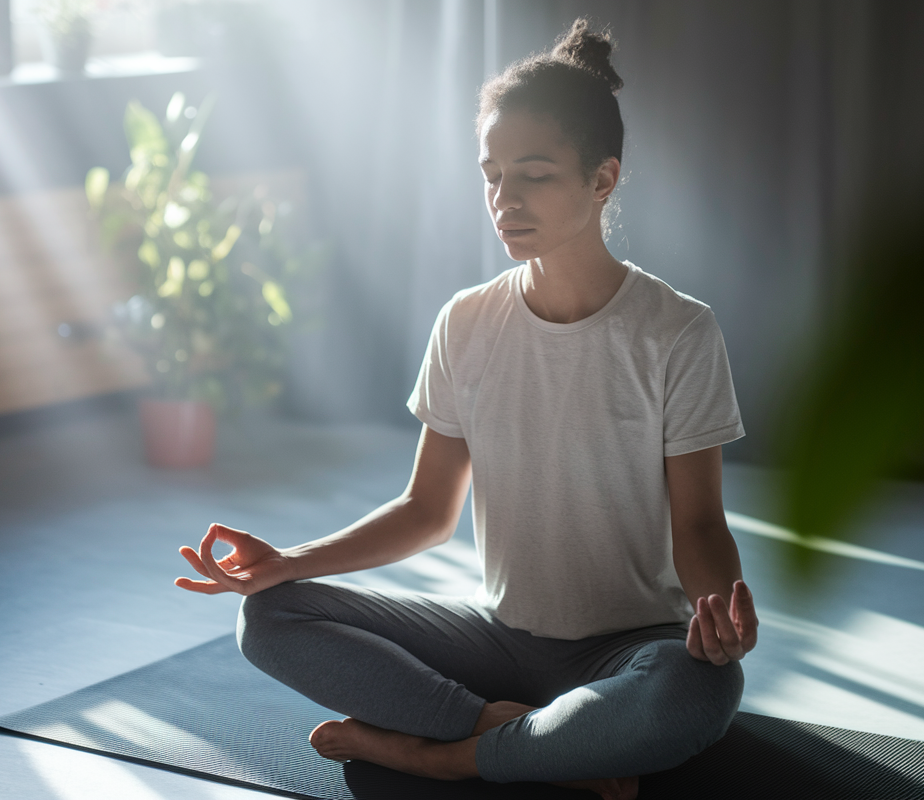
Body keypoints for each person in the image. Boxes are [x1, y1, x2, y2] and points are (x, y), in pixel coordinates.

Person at [175, 19, 757, 800]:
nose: (504, 199)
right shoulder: (466, 322)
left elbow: (698, 525)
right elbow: (425, 510)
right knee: (269, 618)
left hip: (630, 651)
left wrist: (720, 615)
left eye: (535, 174)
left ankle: (441, 752)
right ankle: (518, 736)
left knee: (697, 694)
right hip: (498, 644)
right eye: (491, 175)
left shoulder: (678, 330)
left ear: (602, 180)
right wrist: (288, 562)